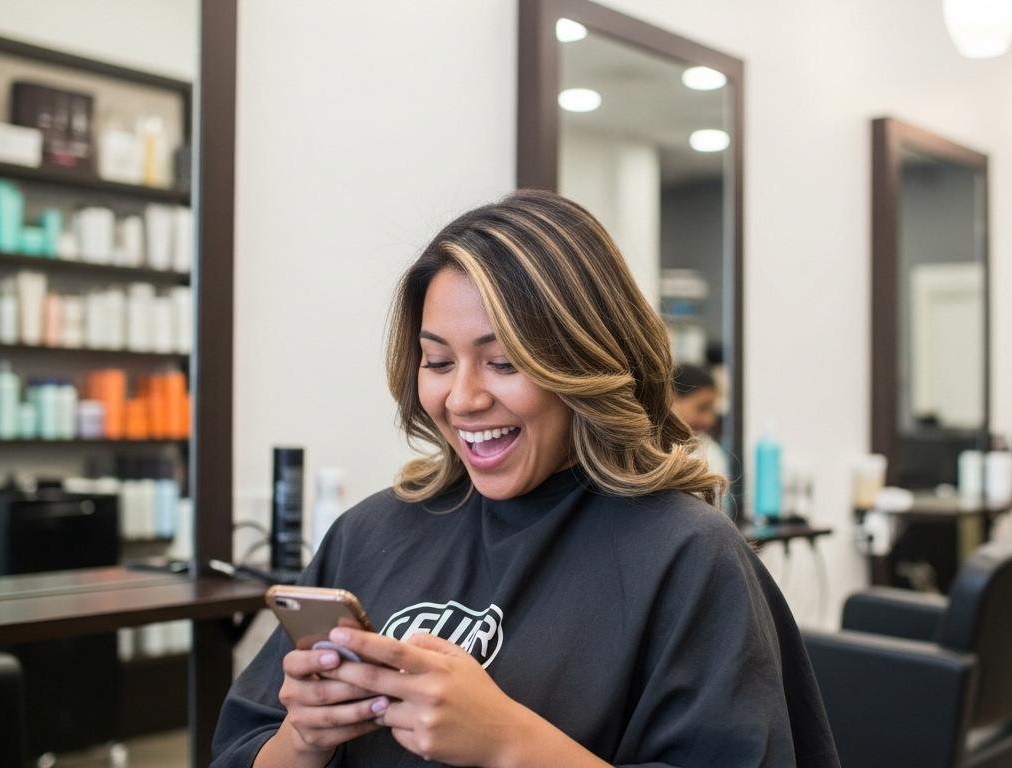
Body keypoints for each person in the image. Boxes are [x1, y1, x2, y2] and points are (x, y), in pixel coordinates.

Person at [211, 190, 840, 768]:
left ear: (587, 361)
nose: (461, 398)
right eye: (437, 361)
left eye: (504, 362)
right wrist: (303, 739)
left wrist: (508, 742)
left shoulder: (686, 557)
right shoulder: (372, 532)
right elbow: (243, 748)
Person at [670, 364, 730, 477]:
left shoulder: (710, 455)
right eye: (702, 408)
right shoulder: (649, 455)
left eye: (711, 409)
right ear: (672, 398)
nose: (710, 420)